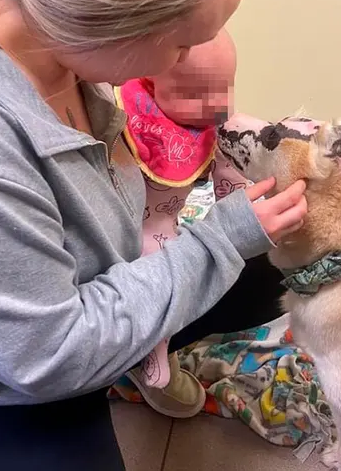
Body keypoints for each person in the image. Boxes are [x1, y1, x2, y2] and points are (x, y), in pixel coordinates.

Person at [0, 0, 309, 469]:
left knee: (264, 276)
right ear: (111, 22)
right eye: (185, 45)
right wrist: (221, 239)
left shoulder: (67, 51)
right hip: (16, 380)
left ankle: (134, 350)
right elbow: (46, 355)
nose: (189, 61)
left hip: (93, 286)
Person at [114, 28, 257, 419]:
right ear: (150, 78)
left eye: (225, 89)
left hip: (166, 222)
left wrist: (239, 200)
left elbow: (229, 177)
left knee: (184, 260)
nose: (217, 106)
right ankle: (152, 348)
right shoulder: (128, 114)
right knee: (158, 273)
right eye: (196, 94)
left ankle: (161, 341)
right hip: (129, 228)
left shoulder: (211, 122)